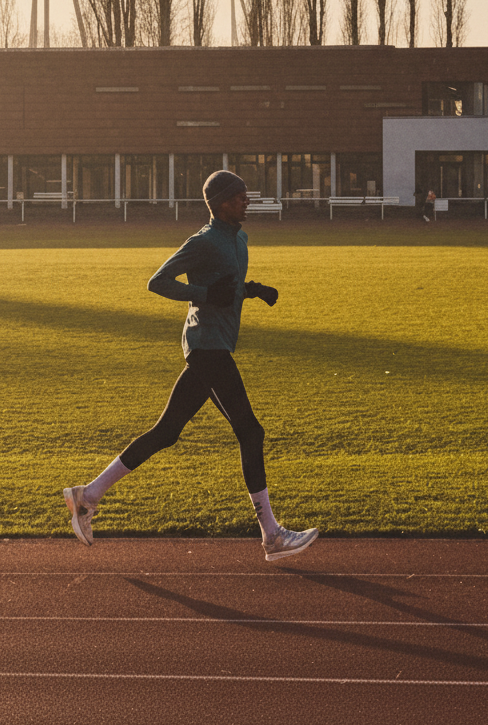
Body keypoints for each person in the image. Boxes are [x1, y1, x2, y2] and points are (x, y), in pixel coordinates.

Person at [63, 170, 318, 562]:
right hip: (206, 347)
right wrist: (202, 293)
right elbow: (158, 281)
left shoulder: (240, 239)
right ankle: (272, 535)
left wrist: (251, 290)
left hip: (216, 345)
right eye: (238, 197)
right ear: (218, 202)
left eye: (246, 196)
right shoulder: (203, 241)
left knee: (166, 432)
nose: (246, 202)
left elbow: (225, 286)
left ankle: (88, 495)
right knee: (251, 432)